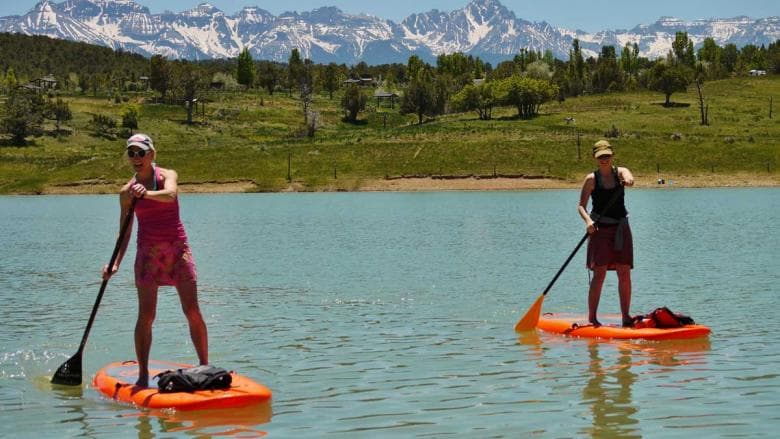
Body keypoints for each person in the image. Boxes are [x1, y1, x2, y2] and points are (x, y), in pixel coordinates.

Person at [102, 133, 208, 387]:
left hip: (177, 249)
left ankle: (205, 365)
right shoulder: (126, 193)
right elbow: (124, 232)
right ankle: (141, 375)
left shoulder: (168, 175)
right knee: (146, 316)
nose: (136, 158)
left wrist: (146, 194)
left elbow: (170, 195)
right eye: (131, 153)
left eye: (141, 152)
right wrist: (114, 263)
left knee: (191, 310)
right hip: (148, 253)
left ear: (151, 155)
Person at [577, 140, 635, 327]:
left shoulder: (620, 173)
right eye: (601, 156)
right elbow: (581, 206)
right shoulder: (591, 179)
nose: (604, 159)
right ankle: (592, 318)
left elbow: (629, 176)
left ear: (612, 156)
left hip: (621, 227)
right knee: (599, 273)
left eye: (607, 156)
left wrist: (629, 181)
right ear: (595, 158)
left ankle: (626, 316)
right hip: (599, 229)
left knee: (624, 271)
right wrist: (588, 221)